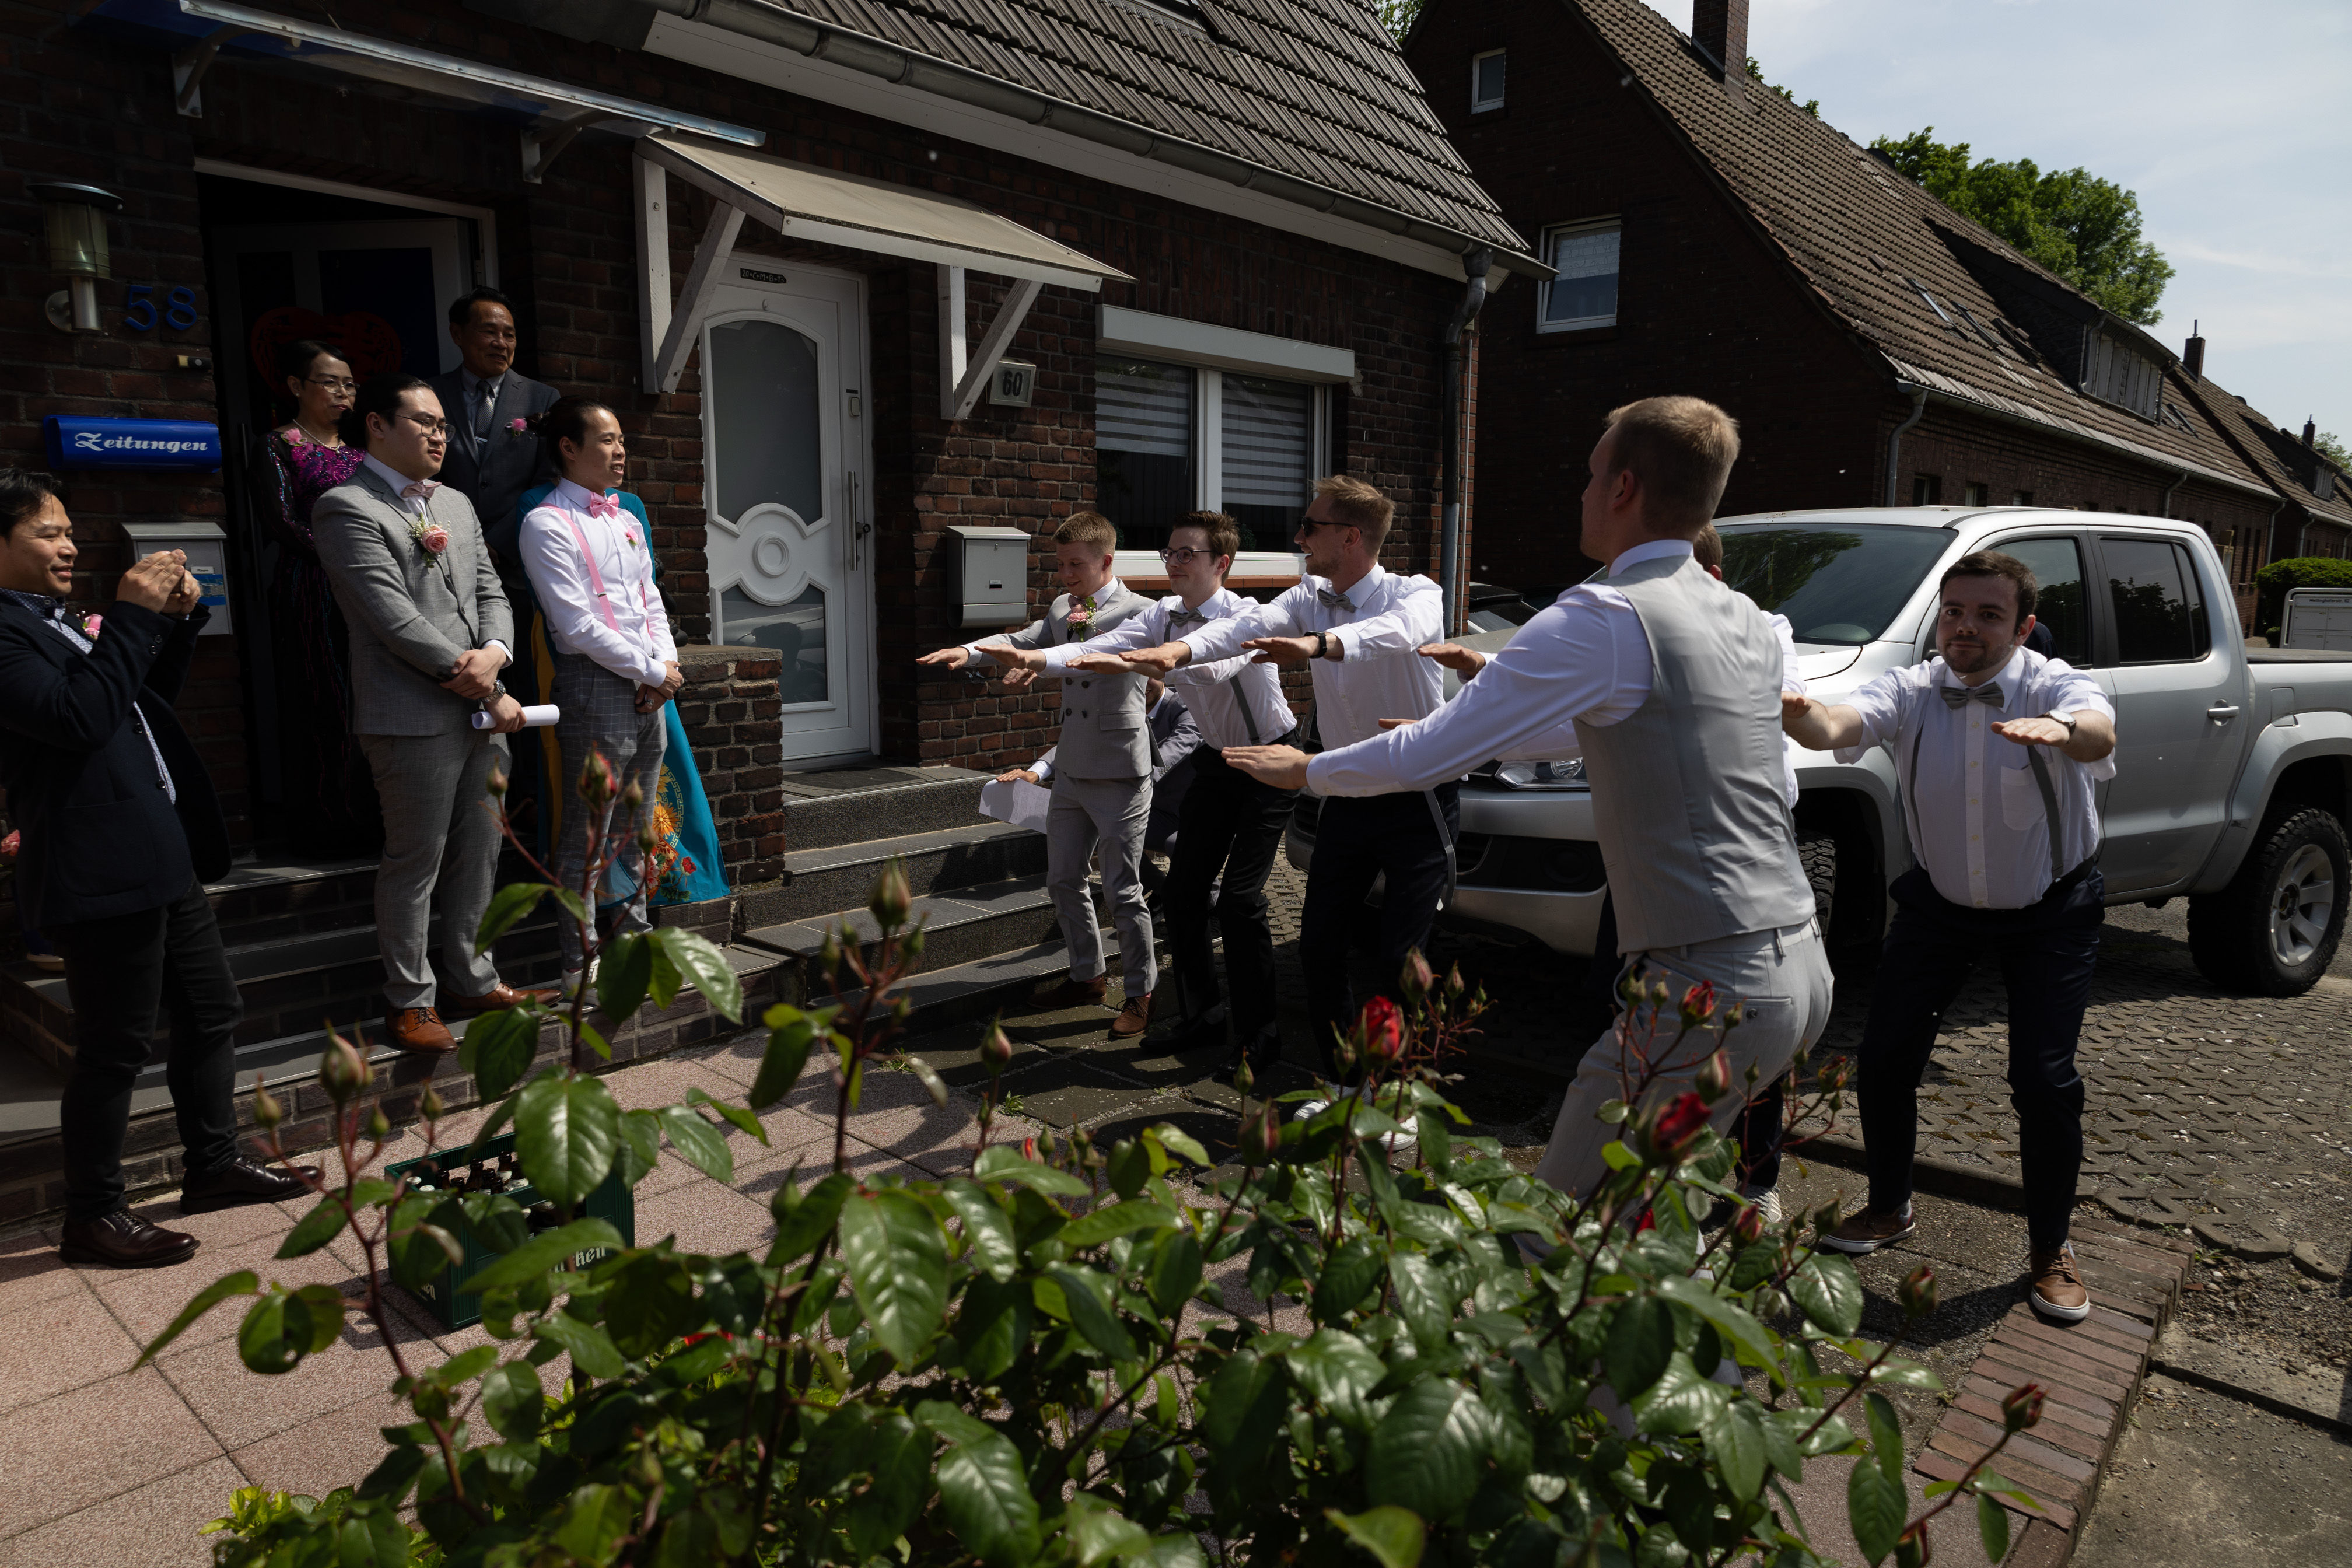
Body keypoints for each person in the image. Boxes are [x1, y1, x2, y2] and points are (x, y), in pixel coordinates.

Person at [1225, 399, 1832, 1204]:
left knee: (1562, 1230)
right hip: (1801, 964)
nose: (1580, 493)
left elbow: (1430, 756)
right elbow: (1606, 725)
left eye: (1590, 474)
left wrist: (1308, 770)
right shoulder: (1748, 618)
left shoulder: (1602, 612)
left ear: (1622, 488)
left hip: (1710, 980)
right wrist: (1476, 735)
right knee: (1664, 1218)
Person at [1413, 520, 1803, 1218]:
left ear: (1710, 580)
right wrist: (1482, 692)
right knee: (1623, 1001)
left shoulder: (1761, 632)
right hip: (1647, 856)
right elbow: (1570, 717)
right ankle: (1619, 1147)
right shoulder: (1633, 633)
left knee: (1747, 1025)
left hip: (1738, 864)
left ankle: (1754, 1176)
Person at [1782, 550, 2116, 1322]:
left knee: (2043, 1082)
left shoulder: (2052, 685)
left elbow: (2098, 734)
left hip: (2052, 910)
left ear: (2023, 627)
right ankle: (1890, 1206)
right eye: (1955, 612)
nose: (1966, 627)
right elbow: (1834, 725)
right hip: (1941, 905)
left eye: (1988, 615)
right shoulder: (1912, 688)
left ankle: (2051, 1248)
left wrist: (2063, 729)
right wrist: (1792, 705)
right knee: (1884, 1059)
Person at [0, 470, 316, 1266]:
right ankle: (92, 1215)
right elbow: (77, 719)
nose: (69, 547)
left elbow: (135, 705)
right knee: (115, 1046)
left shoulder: (52, 620)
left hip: (155, 852)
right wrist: (132, 618)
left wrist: (169, 625)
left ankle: (212, 1164)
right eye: (48, 533)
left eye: (70, 531)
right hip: (95, 866)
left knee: (211, 1011)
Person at [1103, 478, 1446, 1075]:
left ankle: (1400, 1092)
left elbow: (1399, 632)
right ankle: (1342, 1083)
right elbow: (1244, 627)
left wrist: (1318, 644)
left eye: (1309, 527)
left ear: (1350, 536)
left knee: (1398, 960)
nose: (1298, 538)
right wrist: (1178, 652)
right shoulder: (1307, 594)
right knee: (1317, 948)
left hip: (1413, 793)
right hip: (1339, 786)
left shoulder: (1415, 592)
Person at [996, 513, 1301, 1075]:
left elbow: (1211, 666)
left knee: (1239, 901)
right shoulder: (1163, 614)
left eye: (1188, 554)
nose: (1175, 563)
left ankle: (1260, 1035)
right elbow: (1106, 642)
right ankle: (1200, 1016)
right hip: (1218, 760)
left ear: (1221, 563)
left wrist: (1153, 658)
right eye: (1170, 553)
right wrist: (1037, 659)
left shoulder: (1246, 614)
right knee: (1184, 893)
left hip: (1272, 760)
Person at [313, 374, 550, 1055]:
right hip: (410, 715)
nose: (439, 435)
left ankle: (474, 978)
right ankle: (411, 1000)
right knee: (416, 860)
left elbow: (491, 592)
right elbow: (393, 620)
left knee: (481, 851)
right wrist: (485, 688)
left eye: (444, 425)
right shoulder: (346, 507)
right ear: (377, 426)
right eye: (424, 422)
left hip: (485, 707)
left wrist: (497, 654)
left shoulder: (457, 503)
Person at [922, 513, 1157, 1035]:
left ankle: (1141, 993)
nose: (1066, 575)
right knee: (1063, 879)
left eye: (1076, 565)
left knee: (1123, 889)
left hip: (1120, 770)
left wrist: (1042, 660)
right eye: (1061, 564)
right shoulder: (1063, 608)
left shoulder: (1143, 611)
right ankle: (1087, 976)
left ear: (1106, 560)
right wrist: (970, 651)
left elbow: (1091, 654)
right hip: (1071, 768)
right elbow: (1024, 638)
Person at [517, 397, 683, 995]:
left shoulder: (626, 517)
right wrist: (651, 671)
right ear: (568, 447)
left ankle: (634, 943)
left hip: (648, 685)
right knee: (587, 833)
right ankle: (578, 961)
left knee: (639, 829)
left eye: (622, 441)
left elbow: (650, 599)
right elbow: (576, 625)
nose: (620, 452)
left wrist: (666, 666)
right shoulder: (545, 523)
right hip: (593, 683)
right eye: (608, 440)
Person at [254, 338, 380, 858]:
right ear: (295, 386)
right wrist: (340, 557)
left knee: (369, 694)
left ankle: (375, 819)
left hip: (369, 586)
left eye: (349, 384)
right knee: (321, 697)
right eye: (330, 382)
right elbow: (281, 520)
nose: (343, 392)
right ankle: (327, 826)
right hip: (311, 586)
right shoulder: (279, 444)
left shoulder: (364, 451)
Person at [425, 288, 559, 573]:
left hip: (519, 553)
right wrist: (461, 537)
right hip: (448, 551)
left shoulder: (543, 398)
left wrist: (499, 541)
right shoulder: (430, 394)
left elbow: (549, 478)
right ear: (457, 334)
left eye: (509, 335)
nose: (501, 343)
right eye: (489, 332)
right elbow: (421, 473)